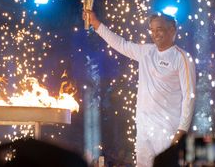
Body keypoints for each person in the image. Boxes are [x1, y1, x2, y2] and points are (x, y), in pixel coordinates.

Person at [83, 11, 196, 167]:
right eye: (153, 30)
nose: (155, 34)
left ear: (172, 30)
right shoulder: (146, 52)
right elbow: (121, 44)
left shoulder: (182, 58)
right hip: (144, 128)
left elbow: (189, 96)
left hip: (167, 130)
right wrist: (96, 24)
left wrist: (182, 130)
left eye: (160, 29)